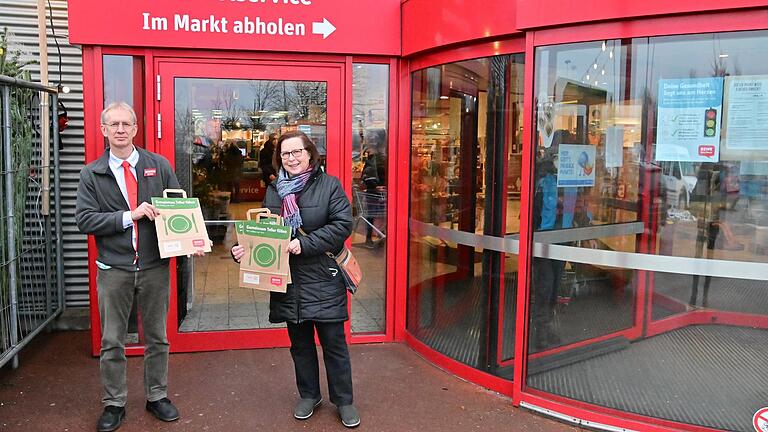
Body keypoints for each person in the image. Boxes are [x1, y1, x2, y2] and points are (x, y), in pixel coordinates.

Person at [76, 102, 200, 432]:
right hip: (114, 268)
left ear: (135, 128)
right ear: (103, 130)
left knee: (157, 337)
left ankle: (156, 395)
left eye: (126, 124)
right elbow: (84, 220)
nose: (120, 129)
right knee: (112, 340)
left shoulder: (157, 165)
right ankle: (114, 403)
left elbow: (178, 207)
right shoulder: (92, 173)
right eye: (113, 124)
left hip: (154, 266)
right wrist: (129, 216)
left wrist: (192, 241)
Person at [231, 131, 360, 428]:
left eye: (296, 152)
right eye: (285, 154)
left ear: (309, 153)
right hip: (287, 278)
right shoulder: (275, 190)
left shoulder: (329, 185)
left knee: (333, 344)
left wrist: (307, 243)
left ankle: (344, 401)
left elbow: (343, 225)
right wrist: (245, 250)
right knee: (299, 344)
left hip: (323, 276)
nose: (291, 158)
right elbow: (266, 230)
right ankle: (309, 395)